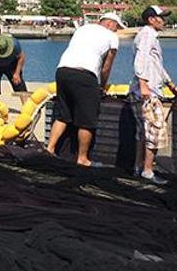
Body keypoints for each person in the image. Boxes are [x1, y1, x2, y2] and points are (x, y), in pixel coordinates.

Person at [45, 12, 121, 167]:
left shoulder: (82, 29)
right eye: (117, 27)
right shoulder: (112, 36)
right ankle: (82, 158)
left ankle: (50, 149)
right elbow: (107, 66)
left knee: (63, 115)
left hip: (63, 71)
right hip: (85, 74)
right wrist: (102, 85)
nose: (117, 30)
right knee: (87, 120)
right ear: (111, 24)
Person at [130, 5, 177, 185]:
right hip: (148, 92)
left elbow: (156, 65)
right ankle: (147, 170)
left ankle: (138, 167)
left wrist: (171, 84)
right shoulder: (147, 35)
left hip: (142, 90)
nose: (164, 21)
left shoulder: (148, 35)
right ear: (151, 19)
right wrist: (144, 85)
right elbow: (141, 59)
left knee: (142, 133)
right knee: (155, 131)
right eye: (161, 17)